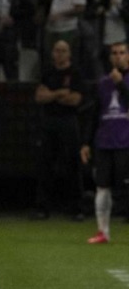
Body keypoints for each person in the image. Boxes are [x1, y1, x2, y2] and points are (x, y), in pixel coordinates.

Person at [31, 39, 86, 221]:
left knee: (72, 164)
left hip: (68, 122)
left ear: (69, 53)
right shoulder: (47, 72)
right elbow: (39, 96)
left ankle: (77, 208)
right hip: (49, 122)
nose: (60, 54)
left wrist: (52, 95)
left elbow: (76, 99)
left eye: (63, 51)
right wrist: (60, 93)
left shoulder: (76, 73)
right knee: (45, 164)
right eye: (57, 50)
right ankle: (42, 208)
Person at [81, 41, 129, 244]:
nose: (118, 56)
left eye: (122, 52)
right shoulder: (102, 83)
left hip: (126, 141)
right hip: (105, 141)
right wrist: (86, 143)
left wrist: (120, 84)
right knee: (102, 186)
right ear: (110, 58)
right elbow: (94, 115)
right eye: (114, 53)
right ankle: (103, 231)